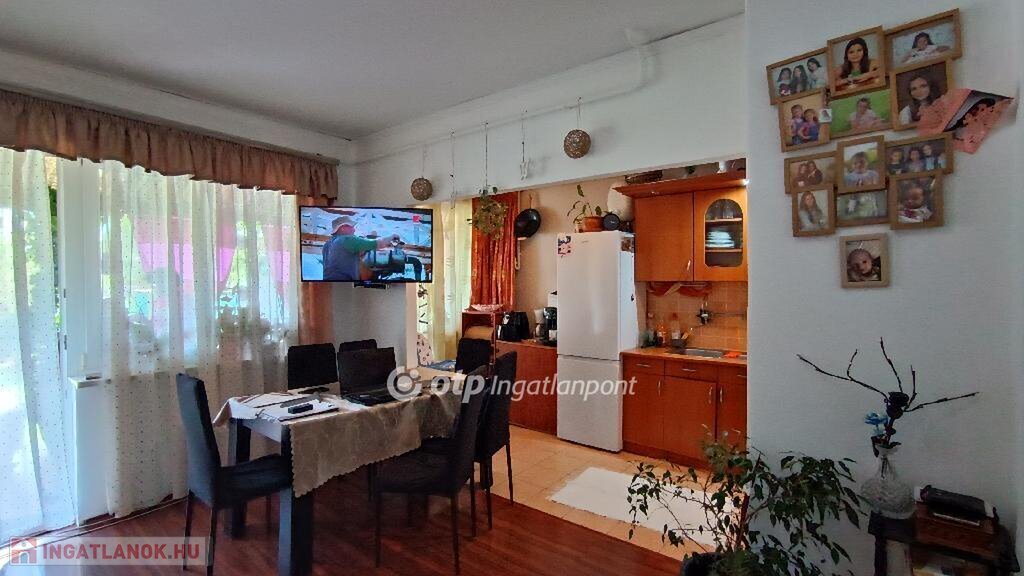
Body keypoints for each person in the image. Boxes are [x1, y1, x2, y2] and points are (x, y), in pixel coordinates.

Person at [321, 215, 401, 281]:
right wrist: (392, 237)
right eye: (351, 227)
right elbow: (378, 244)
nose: (354, 230)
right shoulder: (347, 239)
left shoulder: (327, 245)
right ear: (343, 228)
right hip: (344, 283)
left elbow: (342, 259)